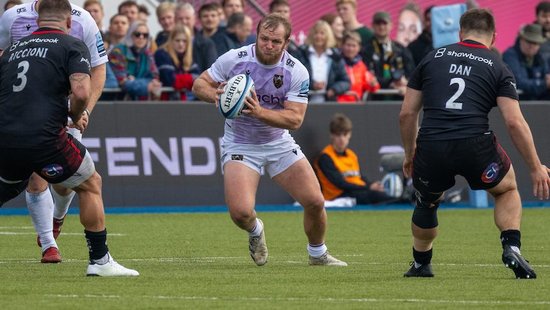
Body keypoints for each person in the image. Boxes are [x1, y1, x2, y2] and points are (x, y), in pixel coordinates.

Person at [399, 8, 550, 279]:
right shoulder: (497, 65)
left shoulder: (432, 58)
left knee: (427, 202)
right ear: (493, 37)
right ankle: (511, 246)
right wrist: (535, 166)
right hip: (474, 145)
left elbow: (407, 114)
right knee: (506, 190)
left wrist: (410, 154)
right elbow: (514, 122)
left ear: (460, 33)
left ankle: (421, 263)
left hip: (432, 144)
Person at [192, 13, 347, 267]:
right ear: (257, 34)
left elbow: (295, 119)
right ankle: (255, 231)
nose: (268, 45)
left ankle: (318, 254)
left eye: (275, 41)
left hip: (278, 143)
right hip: (240, 143)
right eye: (264, 38)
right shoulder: (235, 58)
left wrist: (258, 111)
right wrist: (216, 96)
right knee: (240, 213)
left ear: (286, 43)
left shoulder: (296, 70)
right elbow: (200, 84)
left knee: (315, 201)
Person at [0, 0, 138, 277]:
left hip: (7, 135)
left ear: (37, 21)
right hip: (46, 136)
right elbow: (81, 91)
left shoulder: (12, 50)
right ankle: (100, 261)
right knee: (90, 184)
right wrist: (76, 115)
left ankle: (53, 232)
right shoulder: (71, 44)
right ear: (67, 23)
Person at [314, 114, 397, 204]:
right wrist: (368, 187)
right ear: (332, 135)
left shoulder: (351, 155)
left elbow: (359, 177)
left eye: (345, 134)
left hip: (356, 192)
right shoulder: (325, 157)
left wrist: (371, 184)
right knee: (376, 196)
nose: (342, 139)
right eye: (338, 135)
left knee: (379, 193)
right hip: (338, 197)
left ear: (349, 135)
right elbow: (341, 184)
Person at [363, 11, 415, 99]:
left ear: (391, 25)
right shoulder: (366, 50)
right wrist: (390, 83)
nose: (381, 27)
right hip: (375, 98)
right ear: (372, 26)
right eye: (378, 24)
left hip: (398, 97)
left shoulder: (401, 49)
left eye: (384, 23)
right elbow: (365, 74)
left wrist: (406, 82)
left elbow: (412, 73)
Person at [295, 20, 350, 103]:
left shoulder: (335, 56)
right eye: (316, 33)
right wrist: (311, 85)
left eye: (322, 33)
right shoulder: (301, 53)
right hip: (303, 102)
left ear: (328, 36)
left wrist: (334, 89)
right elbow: (294, 77)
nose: (318, 36)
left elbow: (345, 81)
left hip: (328, 104)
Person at [109, 21, 161, 100]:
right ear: (130, 35)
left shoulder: (148, 54)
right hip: (119, 101)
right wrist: (146, 85)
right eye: (137, 34)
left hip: (142, 101)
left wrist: (133, 81)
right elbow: (121, 80)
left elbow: (155, 78)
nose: (141, 37)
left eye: (145, 35)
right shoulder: (118, 51)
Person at [503, 24, 550, 100]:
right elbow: (517, 82)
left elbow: (547, 77)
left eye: (535, 43)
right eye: (528, 41)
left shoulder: (540, 58)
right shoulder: (510, 55)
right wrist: (544, 84)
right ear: (521, 39)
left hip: (540, 105)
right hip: (518, 103)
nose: (531, 46)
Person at [154, 24, 199, 101]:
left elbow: (198, 80)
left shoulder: (188, 55)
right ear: (171, 40)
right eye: (177, 40)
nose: (181, 44)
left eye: (184, 41)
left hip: (185, 101)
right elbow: (170, 80)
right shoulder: (161, 53)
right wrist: (189, 79)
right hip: (164, 101)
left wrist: (181, 79)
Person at [337, 31, 380, 102]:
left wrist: (373, 84)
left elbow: (371, 86)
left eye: (354, 46)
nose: (350, 49)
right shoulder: (336, 63)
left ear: (359, 48)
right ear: (342, 46)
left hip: (356, 106)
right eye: (348, 45)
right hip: (336, 105)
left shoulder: (361, 66)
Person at [175, 2, 217, 74]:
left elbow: (211, 71)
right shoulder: (167, 42)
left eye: (187, 18)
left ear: (194, 19)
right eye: (180, 19)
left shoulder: (207, 44)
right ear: (175, 20)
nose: (184, 22)